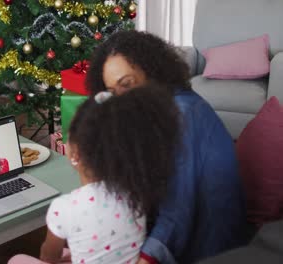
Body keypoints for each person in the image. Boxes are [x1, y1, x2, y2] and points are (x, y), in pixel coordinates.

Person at [85, 30, 248, 264]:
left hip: (208, 243)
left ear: (151, 71)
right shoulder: (158, 106)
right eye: (113, 92)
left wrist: (145, 258)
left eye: (127, 84)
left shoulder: (181, 115)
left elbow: (177, 211)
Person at [8, 85, 181, 264]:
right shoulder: (138, 194)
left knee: (17, 259)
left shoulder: (63, 208)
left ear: (75, 154)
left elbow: (49, 256)